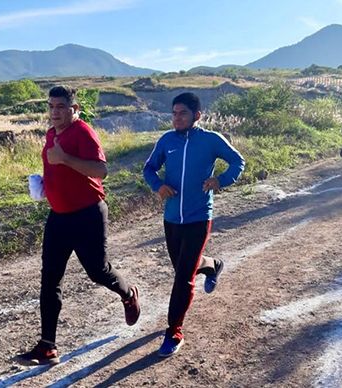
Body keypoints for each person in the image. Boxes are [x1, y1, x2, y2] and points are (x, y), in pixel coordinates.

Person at [16, 85, 140, 366]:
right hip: (59, 217)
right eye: (51, 106)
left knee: (98, 271)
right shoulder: (51, 134)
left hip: (88, 215)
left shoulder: (83, 132)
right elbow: (57, 167)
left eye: (61, 107)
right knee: (50, 279)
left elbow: (100, 171)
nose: (55, 112)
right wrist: (46, 185)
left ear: (74, 110)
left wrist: (65, 159)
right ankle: (47, 346)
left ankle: (128, 293)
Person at [143, 92, 245, 358]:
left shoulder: (210, 140)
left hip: (200, 216)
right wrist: (158, 185)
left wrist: (220, 181)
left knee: (183, 278)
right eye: (174, 113)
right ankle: (213, 265)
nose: (177, 118)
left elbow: (238, 161)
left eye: (182, 113)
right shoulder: (166, 140)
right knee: (183, 268)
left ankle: (174, 331)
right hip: (172, 218)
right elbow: (149, 169)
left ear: (197, 116)